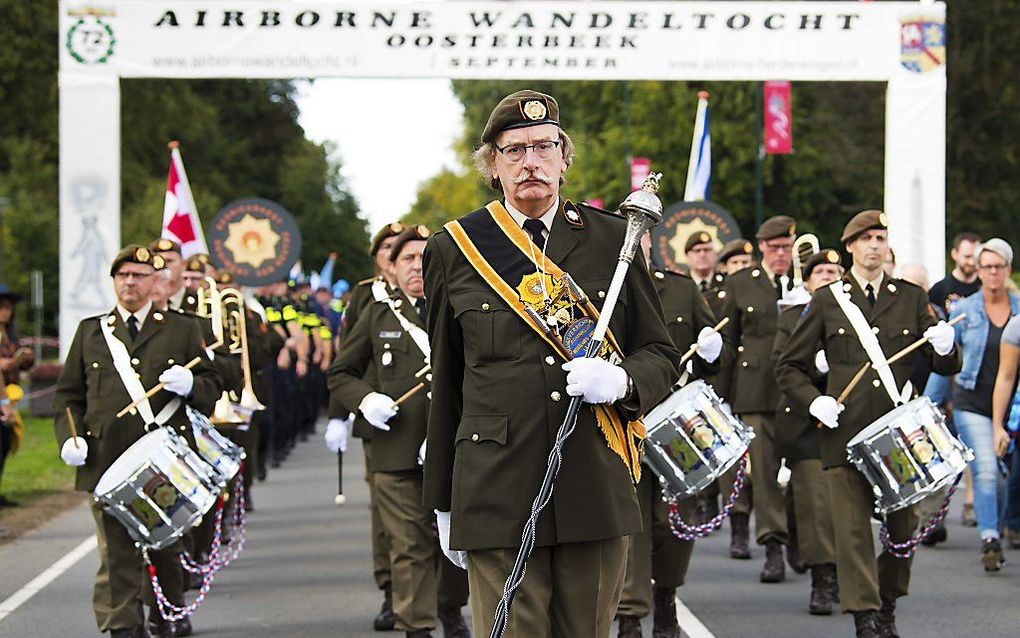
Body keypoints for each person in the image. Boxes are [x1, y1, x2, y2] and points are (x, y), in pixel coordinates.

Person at [423, 89, 680, 638]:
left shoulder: (615, 239)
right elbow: (447, 383)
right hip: (496, 485)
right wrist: (443, 500)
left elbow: (660, 352)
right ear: (492, 165)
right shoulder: (456, 248)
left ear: (564, 158)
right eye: (513, 150)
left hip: (594, 475)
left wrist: (623, 379)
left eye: (543, 146)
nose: (530, 161)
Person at [777, 210, 961, 638]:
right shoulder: (827, 300)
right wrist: (814, 401)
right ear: (851, 246)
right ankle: (865, 617)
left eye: (881, 237)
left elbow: (942, 361)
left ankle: (889, 603)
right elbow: (789, 368)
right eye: (867, 238)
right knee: (852, 529)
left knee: (903, 527)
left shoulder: (911, 297)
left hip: (898, 435)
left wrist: (948, 346)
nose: (876, 245)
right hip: (844, 434)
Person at [53, 245, 221, 638]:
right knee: (116, 552)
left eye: (139, 275)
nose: (130, 282)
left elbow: (214, 385)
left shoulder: (182, 329)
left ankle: (168, 611)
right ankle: (122, 626)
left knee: (166, 543)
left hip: (165, 460)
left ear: (154, 281)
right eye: (123, 275)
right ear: (114, 281)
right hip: (107, 459)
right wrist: (70, 437)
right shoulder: (91, 332)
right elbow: (68, 396)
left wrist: (193, 384)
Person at [614, 233, 724, 638]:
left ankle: (666, 599)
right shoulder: (598, 290)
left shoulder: (680, 289)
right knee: (632, 520)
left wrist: (713, 350)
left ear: (650, 244)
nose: (632, 243)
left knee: (677, 517)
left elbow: (713, 352)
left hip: (677, 422)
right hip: (622, 419)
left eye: (639, 237)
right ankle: (629, 614)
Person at [326, 220, 406, 631]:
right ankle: (393, 590)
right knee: (386, 513)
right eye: (388, 247)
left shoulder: (431, 287)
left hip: (428, 417)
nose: (395, 255)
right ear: (379, 257)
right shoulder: (364, 296)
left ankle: (438, 597)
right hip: (379, 420)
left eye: (403, 247)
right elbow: (347, 360)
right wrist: (339, 415)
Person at [720, 214, 799, 582]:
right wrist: (721, 398)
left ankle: (801, 538)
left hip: (802, 394)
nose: (782, 254)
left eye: (787, 247)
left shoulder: (805, 283)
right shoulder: (741, 284)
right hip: (755, 391)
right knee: (765, 474)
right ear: (763, 247)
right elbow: (727, 346)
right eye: (776, 247)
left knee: (803, 472)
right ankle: (772, 546)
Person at [938, 239, 1019, 571]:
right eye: (987, 266)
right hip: (971, 402)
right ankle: (990, 538)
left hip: (1013, 405)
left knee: (1004, 476)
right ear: (979, 271)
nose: (993, 272)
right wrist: (928, 404)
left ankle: (1001, 524)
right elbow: (947, 363)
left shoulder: (1018, 310)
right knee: (986, 469)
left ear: (1008, 269)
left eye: (999, 266)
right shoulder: (964, 311)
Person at [773, 249, 843, 615]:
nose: (829, 278)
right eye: (822, 273)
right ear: (807, 281)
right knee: (816, 505)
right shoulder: (789, 316)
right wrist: (817, 370)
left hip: (848, 423)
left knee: (842, 507)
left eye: (835, 272)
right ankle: (822, 576)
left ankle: (844, 572)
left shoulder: (856, 316)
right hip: (807, 424)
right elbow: (784, 364)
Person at [0, 284, 35, 507]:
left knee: (5, 444)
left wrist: (25, 358)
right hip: (3, 398)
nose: (5, 311)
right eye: (1, 306)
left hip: (9, 396)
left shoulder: (10, 334)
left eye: (8, 307)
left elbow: (21, 365)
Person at [993, 311, 1020, 551]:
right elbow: (1006, 377)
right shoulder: (1017, 326)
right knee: (1017, 477)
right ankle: (1014, 526)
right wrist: (997, 426)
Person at [929, 232, 982, 315]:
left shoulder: (986, 287)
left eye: (975, 257)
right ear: (954, 254)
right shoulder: (938, 290)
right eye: (967, 256)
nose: (972, 262)